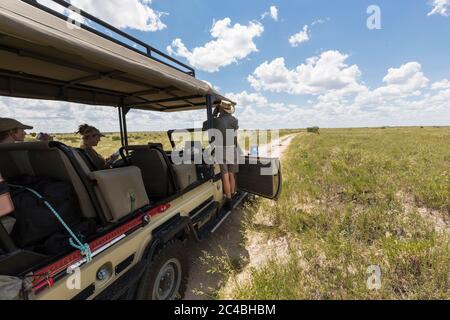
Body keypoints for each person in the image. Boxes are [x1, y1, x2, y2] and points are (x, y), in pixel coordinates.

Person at [205, 101, 239, 211]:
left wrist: (213, 115)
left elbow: (204, 126)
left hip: (221, 150)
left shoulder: (215, 121)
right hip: (232, 148)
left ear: (220, 109)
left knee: (225, 176)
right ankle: (232, 196)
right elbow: (234, 135)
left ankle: (229, 201)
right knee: (231, 175)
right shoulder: (234, 120)